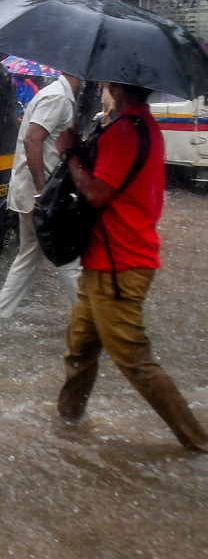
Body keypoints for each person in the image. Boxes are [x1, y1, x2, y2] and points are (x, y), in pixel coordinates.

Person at [55, 82, 208, 451]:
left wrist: (70, 154)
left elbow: (96, 193)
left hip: (118, 266)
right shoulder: (136, 124)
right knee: (79, 349)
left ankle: (199, 443)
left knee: (135, 360)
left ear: (115, 85)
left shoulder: (126, 131)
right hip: (103, 262)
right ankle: (67, 425)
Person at [0, 72, 84, 319]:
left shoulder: (59, 96)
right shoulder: (58, 98)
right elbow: (33, 140)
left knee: (28, 257)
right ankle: (91, 326)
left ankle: (1, 316)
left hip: (34, 195)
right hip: (42, 196)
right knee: (68, 259)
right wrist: (43, 191)